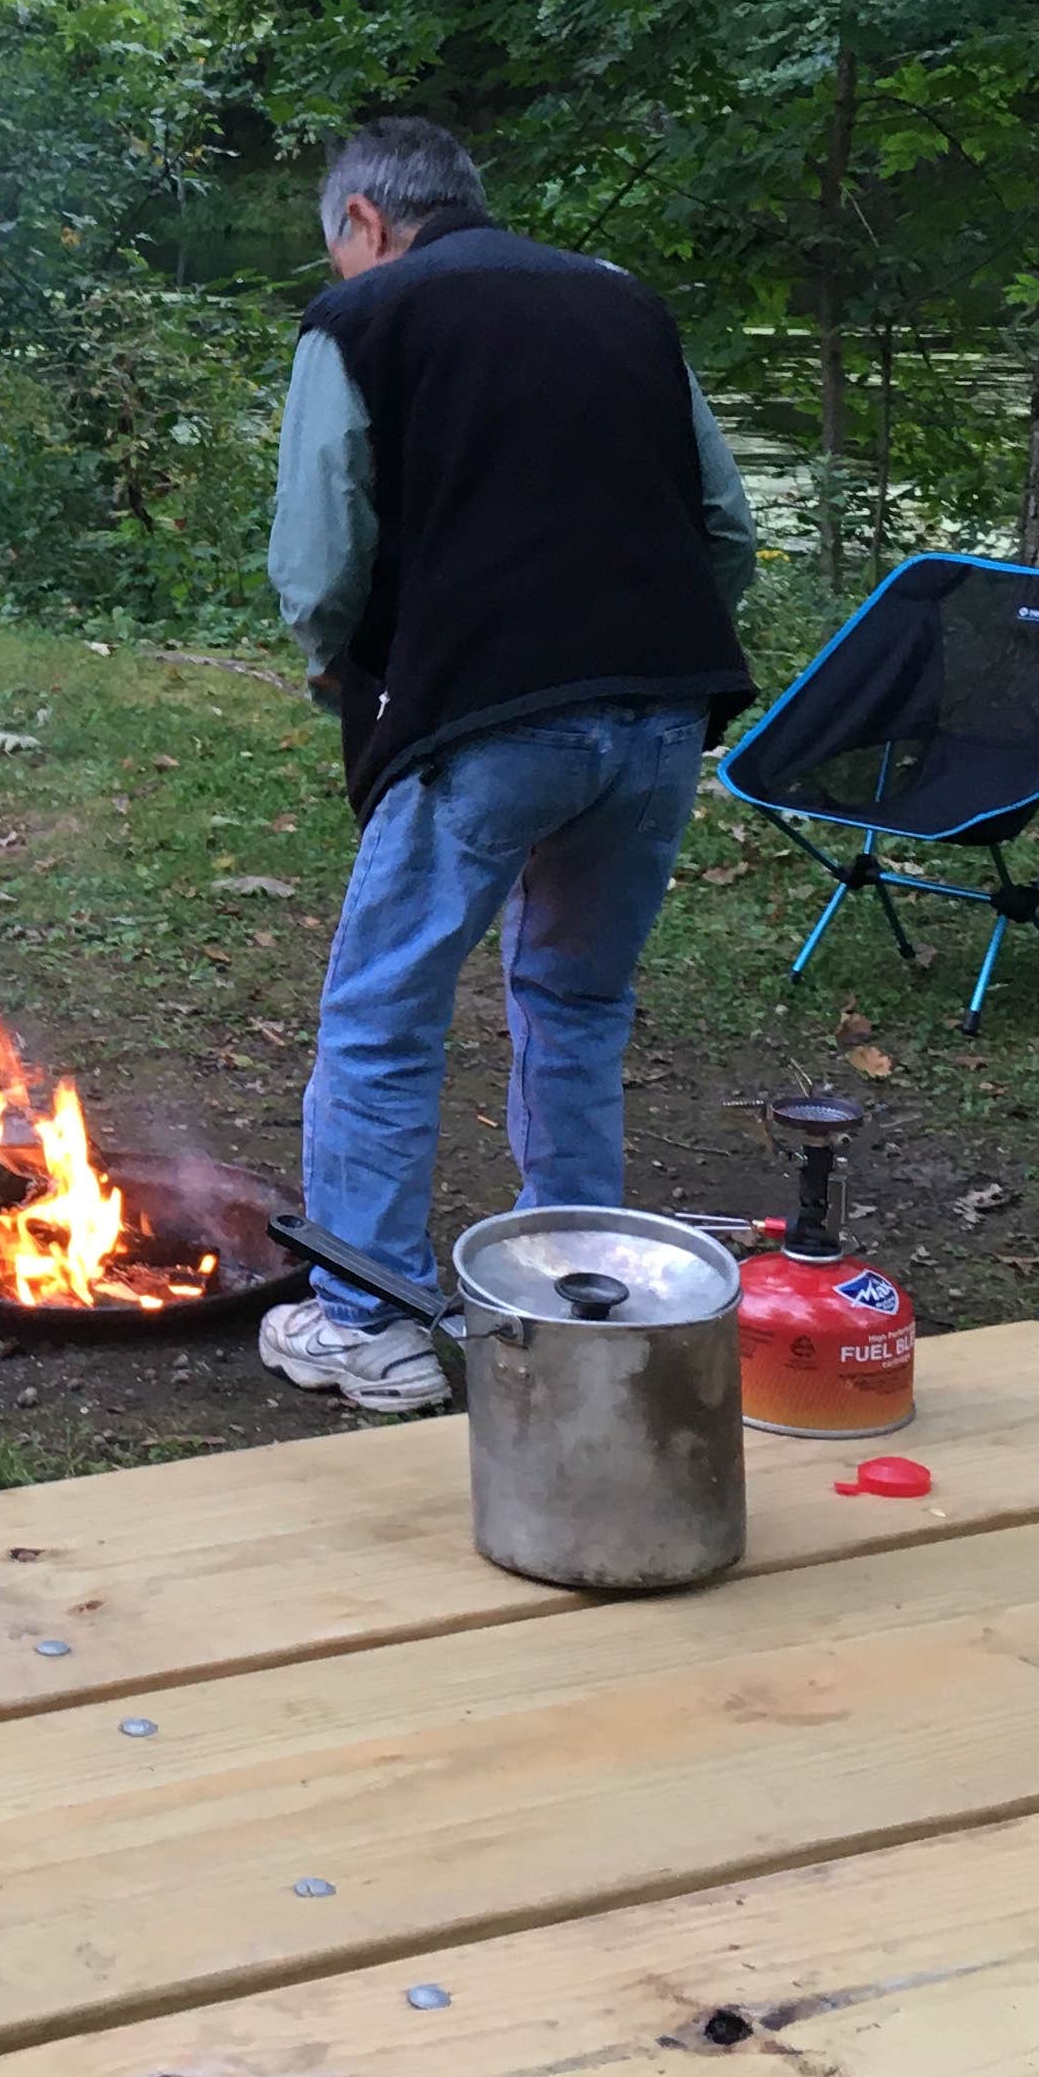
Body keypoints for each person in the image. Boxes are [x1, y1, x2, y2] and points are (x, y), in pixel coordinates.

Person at [257, 119, 758, 1414]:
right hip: (660, 707)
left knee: (383, 1015)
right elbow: (724, 524)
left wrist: (345, 672)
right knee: (578, 1005)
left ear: (364, 222)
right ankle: (581, 1302)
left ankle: (366, 1322)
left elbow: (319, 559)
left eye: (338, 244)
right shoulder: (622, 302)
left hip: (488, 715)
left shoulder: (360, 323)